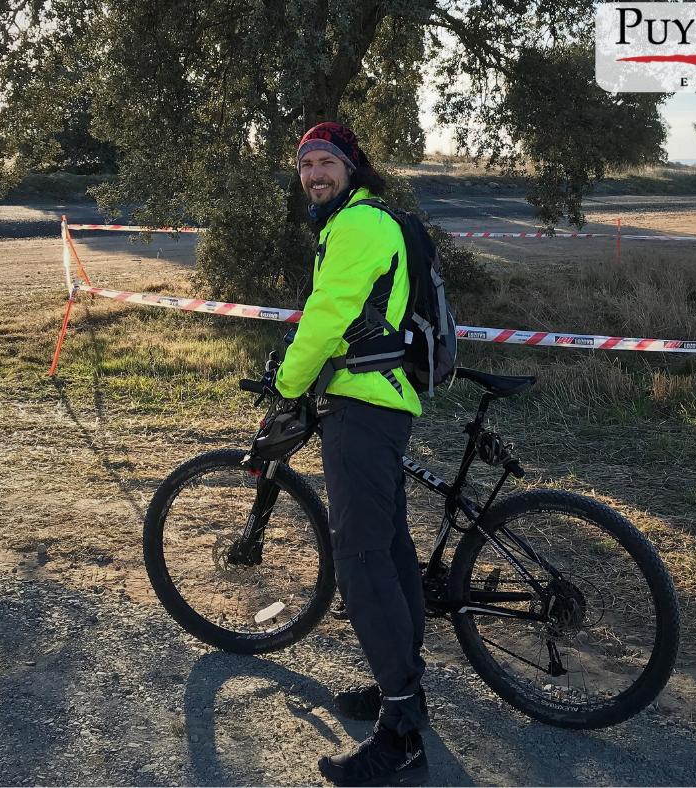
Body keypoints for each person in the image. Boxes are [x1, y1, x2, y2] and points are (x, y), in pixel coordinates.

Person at [273, 122, 429, 786]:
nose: (314, 174)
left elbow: (328, 313)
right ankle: (402, 690)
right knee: (389, 553)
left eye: (325, 162)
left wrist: (287, 384)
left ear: (351, 167)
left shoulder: (359, 225)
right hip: (375, 402)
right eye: (305, 164)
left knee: (361, 564)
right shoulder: (356, 221)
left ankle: (401, 734)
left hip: (363, 407)